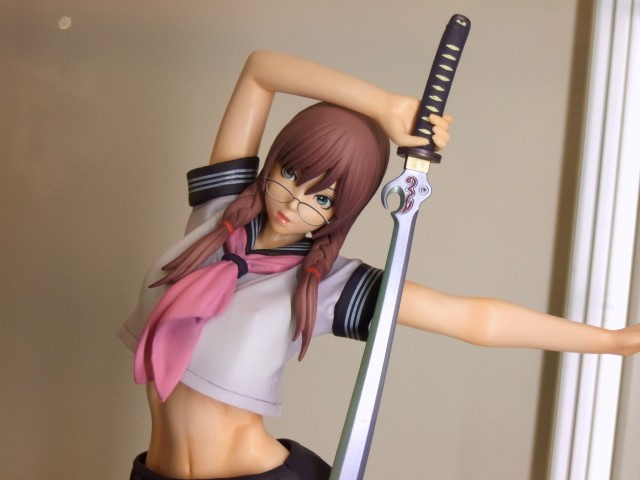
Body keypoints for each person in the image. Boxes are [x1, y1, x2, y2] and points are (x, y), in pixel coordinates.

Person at [118, 51, 640, 480]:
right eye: (291, 173)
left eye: (323, 198)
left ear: (341, 212)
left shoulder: (324, 284)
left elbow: (471, 319)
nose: (295, 201)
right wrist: (385, 107)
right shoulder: (217, 211)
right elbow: (261, 70)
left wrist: (613, 342)